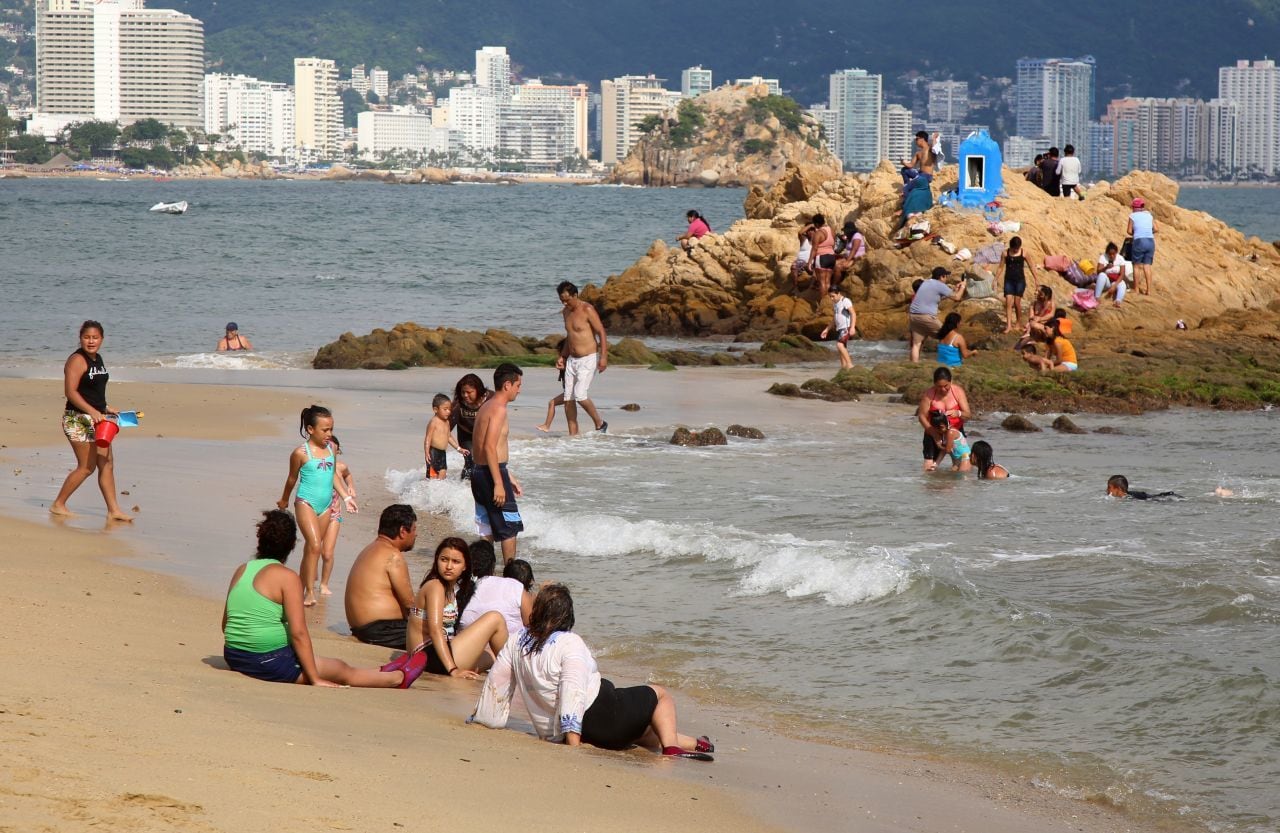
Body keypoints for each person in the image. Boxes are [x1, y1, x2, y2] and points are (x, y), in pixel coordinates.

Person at [470, 583, 715, 761]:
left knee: (646, 732)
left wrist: (483, 718)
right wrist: (572, 743)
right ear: (567, 615)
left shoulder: (517, 641)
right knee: (660, 695)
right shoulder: (569, 642)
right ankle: (671, 749)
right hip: (603, 715)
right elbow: (572, 690)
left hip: (592, 730)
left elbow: (498, 681)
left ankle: (699, 744)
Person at [222, 509, 425, 688]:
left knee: (327, 664)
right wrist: (314, 678)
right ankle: (397, 678)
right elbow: (299, 633)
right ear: (293, 544)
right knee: (341, 670)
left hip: (234, 655)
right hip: (266, 661)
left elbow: (226, 624)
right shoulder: (288, 578)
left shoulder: (243, 570)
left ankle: (382, 670)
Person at [51, 320, 133, 521]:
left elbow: (92, 391)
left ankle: (114, 511)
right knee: (87, 467)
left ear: (102, 339)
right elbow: (70, 392)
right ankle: (58, 504)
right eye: (87, 337)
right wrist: (91, 411)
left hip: (98, 418)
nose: (91, 341)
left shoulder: (98, 359)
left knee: (107, 463)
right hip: (77, 419)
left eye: (95, 337)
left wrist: (105, 408)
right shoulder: (77, 360)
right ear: (80, 338)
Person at [277, 405, 357, 606]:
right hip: (306, 502)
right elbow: (291, 479)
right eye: (325, 430)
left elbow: (333, 477)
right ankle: (309, 592)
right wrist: (284, 499)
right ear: (311, 429)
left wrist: (347, 498)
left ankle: (301, 587)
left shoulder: (331, 449)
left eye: (331, 429)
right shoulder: (300, 453)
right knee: (313, 545)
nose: (329, 434)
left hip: (326, 505)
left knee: (313, 550)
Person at [407, 537, 509, 677]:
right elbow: (435, 631)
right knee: (495, 618)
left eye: (456, 562)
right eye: (444, 559)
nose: (449, 566)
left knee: (491, 654)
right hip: (426, 656)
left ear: (465, 566)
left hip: (434, 654)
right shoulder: (435, 586)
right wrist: (453, 670)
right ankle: (514, 676)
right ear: (437, 560)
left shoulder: (451, 588)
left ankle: (501, 672)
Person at [472, 363, 525, 563]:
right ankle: (510, 575)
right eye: (518, 385)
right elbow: (489, 447)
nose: (519, 390)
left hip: (479, 471)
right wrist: (498, 482)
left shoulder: (486, 405)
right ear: (507, 385)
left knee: (486, 526)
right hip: (491, 474)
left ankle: (481, 573)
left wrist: (507, 475)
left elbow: (484, 448)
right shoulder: (499, 409)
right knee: (509, 527)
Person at [345, 504, 417, 649]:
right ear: (403, 531)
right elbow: (409, 604)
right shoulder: (393, 555)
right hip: (383, 631)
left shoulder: (369, 550)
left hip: (361, 628)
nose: (416, 534)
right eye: (414, 529)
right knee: (441, 638)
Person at [556, 281, 608, 435]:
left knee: (580, 395)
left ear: (575, 295)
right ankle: (573, 435)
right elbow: (570, 336)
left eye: (567, 299)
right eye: (562, 300)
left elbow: (601, 333)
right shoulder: (566, 312)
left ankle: (600, 423)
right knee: (568, 398)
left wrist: (603, 357)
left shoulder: (587, 309)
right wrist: (563, 356)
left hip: (588, 358)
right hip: (572, 360)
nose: (565, 303)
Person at [458, 539, 532, 637]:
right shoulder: (515, 586)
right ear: (493, 566)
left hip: (470, 649)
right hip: (508, 649)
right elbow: (531, 628)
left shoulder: (456, 591)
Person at [318, 434, 354, 597]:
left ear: (337, 450)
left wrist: (351, 487)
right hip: (316, 511)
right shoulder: (318, 465)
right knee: (314, 548)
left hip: (334, 513)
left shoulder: (340, 467)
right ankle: (311, 575)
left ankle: (324, 583)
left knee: (327, 553)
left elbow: (347, 475)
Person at [916, 367, 971, 473]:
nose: (943, 390)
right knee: (929, 468)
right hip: (933, 432)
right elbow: (922, 416)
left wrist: (958, 413)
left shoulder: (958, 392)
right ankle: (931, 488)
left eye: (946, 386)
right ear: (934, 384)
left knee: (960, 465)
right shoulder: (929, 394)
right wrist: (934, 435)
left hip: (955, 432)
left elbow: (968, 414)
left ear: (951, 381)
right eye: (939, 386)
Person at [908, 267, 966, 363]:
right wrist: (963, 286)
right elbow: (957, 297)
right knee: (947, 335)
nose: (946, 278)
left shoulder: (926, 283)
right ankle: (949, 361)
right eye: (946, 276)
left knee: (916, 344)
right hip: (926, 316)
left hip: (913, 315)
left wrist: (954, 289)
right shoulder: (939, 285)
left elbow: (934, 296)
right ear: (941, 277)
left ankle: (914, 365)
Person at [450, 373, 491, 481]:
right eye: (463, 392)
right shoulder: (458, 405)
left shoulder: (491, 398)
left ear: (478, 390)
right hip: (466, 436)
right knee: (471, 461)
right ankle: (464, 487)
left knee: (489, 462)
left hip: (486, 435)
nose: (465, 395)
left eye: (469, 392)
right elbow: (444, 428)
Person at [994, 236, 1038, 333]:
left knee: (1017, 302)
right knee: (1008, 302)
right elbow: (1000, 267)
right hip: (1008, 280)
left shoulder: (1024, 253)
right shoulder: (1005, 253)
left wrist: (1036, 279)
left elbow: (1031, 266)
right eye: (1014, 248)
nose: (1015, 250)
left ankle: (1018, 323)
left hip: (1020, 281)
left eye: (1017, 248)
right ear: (1011, 246)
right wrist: (995, 279)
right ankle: (1009, 326)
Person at [424, 393, 467, 480]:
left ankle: (440, 492)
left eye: (450, 409)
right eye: (445, 409)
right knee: (432, 477)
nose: (449, 412)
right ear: (436, 409)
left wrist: (459, 448)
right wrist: (426, 452)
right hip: (433, 452)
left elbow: (449, 437)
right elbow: (428, 438)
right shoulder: (434, 422)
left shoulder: (447, 422)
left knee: (442, 476)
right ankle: (428, 492)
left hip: (442, 453)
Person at [820, 285, 856, 370]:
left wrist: (852, 327)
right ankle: (843, 367)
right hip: (839, 329)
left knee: (839, 345)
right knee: (841, 349)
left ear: (839, 293)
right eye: (830, 296)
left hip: (846, 328)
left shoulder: (845, 301)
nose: (832, 298)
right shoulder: (835, 303)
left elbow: (853, 313)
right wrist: (827, 329)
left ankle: (850, 365)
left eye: (833, 296)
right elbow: (834, 318)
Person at [1127, 197, 1157, 295]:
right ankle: (1149, 290)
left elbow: (1129, 231)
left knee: (1136, 266)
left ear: (1134, 207)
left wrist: (1136, 234)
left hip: (1139, 241)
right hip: (1150, 241)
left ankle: (1136, 290)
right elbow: (1156, 229)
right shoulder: (1149, 215)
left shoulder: (1132, 216)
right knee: (1147, 266)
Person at [806, 214, 837, 296]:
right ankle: (828, 302)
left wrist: (809, 262)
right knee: (828, 282)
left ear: (816, 224)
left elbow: (814, 249)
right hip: (831, 257)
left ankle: (823, 303)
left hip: (821, 257)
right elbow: (833, 244)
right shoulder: (832, 231)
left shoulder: (818, 233)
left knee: (822, 282)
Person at [833, 220, 866, 285]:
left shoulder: (857, 236)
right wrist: (841, 255)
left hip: (856, 259)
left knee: (838, 267)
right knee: (833, 263)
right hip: (849, 257)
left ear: (849, 230)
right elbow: (849, 250)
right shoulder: (849, 238)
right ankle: (836, 281)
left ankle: (834, 285)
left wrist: (847, 261)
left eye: (845, 231)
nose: (844, 232)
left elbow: (854, 250)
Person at [1106, 475, 1182, 501]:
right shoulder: (1128, 495)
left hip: (1158, 499)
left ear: (1118, 489)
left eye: (1110, 487)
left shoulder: (1130, 498)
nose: (1107, 490)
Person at [790, 221, 815, 291]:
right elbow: (800, 232)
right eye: (809, 231)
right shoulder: (804, 239)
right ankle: (795, 287)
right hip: (801, 261)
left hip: (811, 263)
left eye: (812, 230)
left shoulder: (817, 241)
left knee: (815, 271)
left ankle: (811, 288)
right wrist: (810, 225)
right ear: (806, 232)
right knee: (794, 267)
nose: (811, 232)